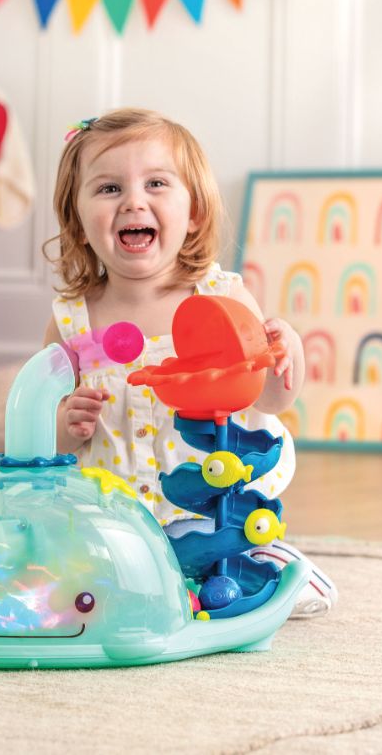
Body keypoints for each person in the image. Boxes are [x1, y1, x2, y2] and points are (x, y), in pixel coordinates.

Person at [42, 107, 335, 616]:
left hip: (206, 509)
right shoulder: (72, 321)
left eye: (156, 183)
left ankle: (268, 566)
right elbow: (40, 433)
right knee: (75, 580)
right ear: (79, 220)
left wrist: (291, 355)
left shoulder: (222, 297)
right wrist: (65, 423)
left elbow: (268, 399)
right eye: (108, 189)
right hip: (110, 520)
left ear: (194, 211)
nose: (134, 200)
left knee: (222, 553)